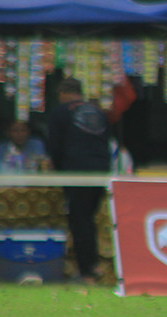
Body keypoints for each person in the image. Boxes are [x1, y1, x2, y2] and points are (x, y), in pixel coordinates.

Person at [46, 77, 110, 284]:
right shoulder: (98, 112)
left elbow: (55, 146)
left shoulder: (60, 112)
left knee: (79, 220)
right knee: (88, 219)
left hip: (76, 172)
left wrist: (58, 171)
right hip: (100, 172)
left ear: (63, 93)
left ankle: (87, 273)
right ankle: (93, 265)